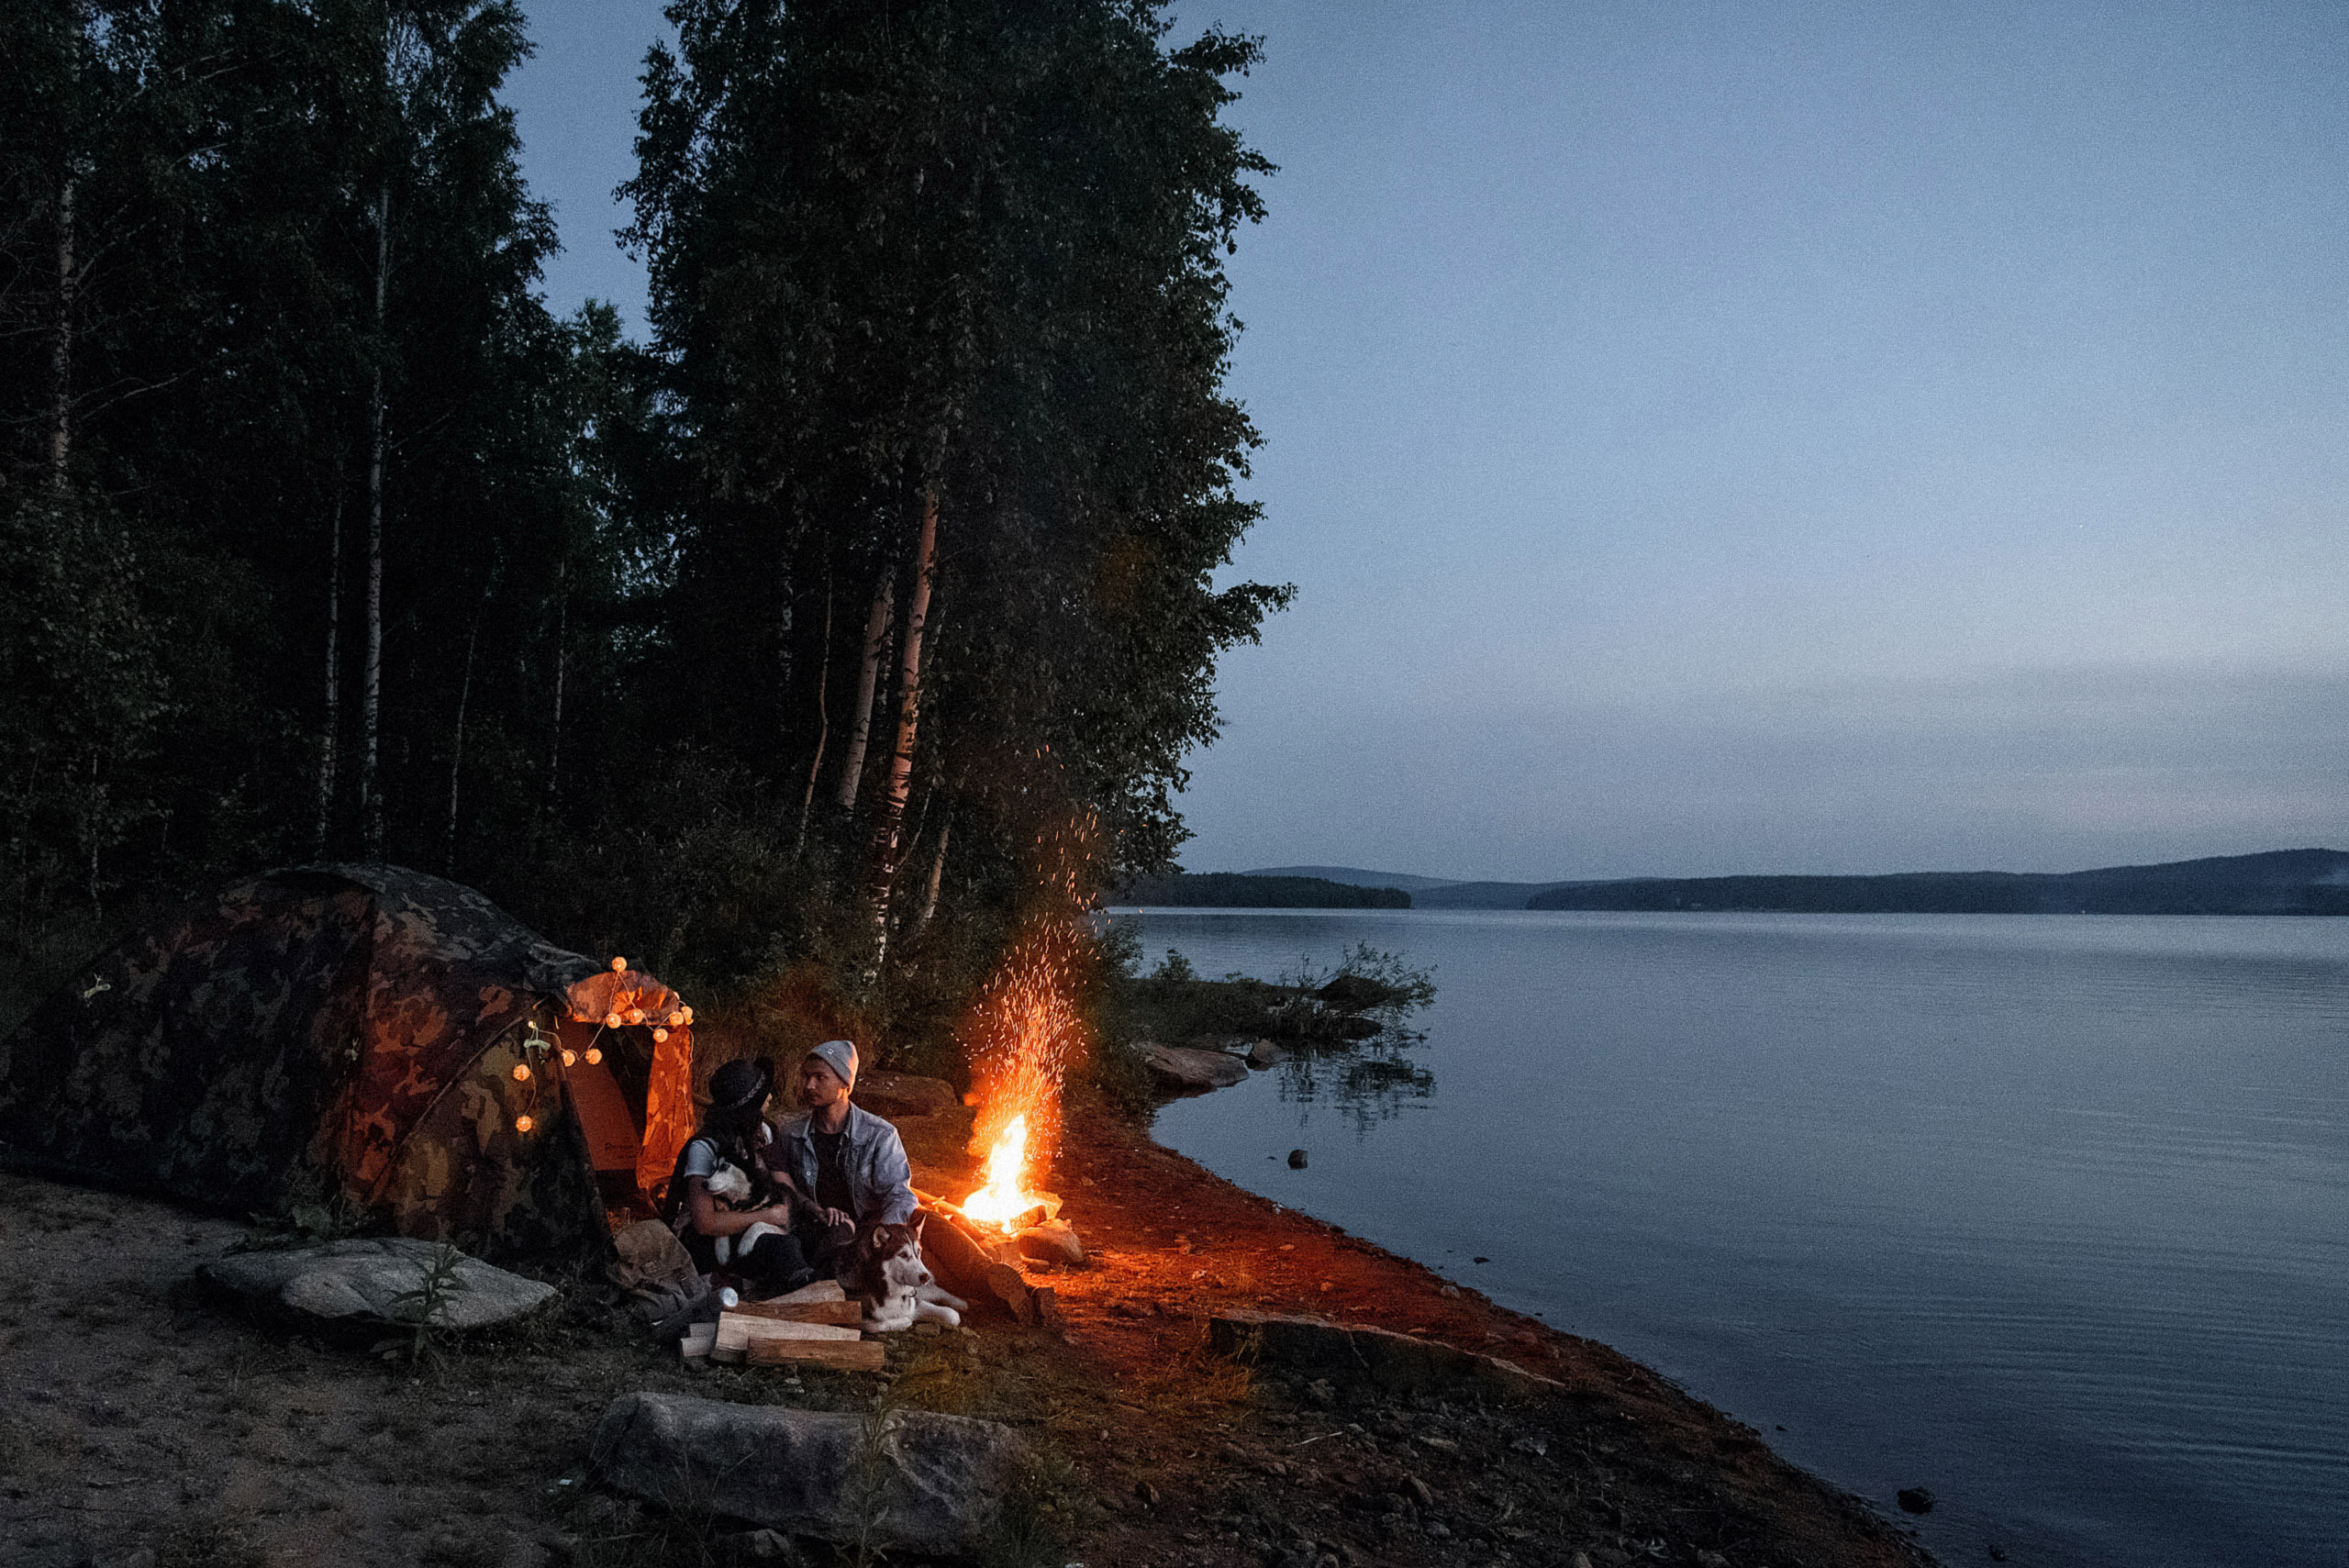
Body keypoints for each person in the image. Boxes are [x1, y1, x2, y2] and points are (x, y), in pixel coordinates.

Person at [770, 1038, 1008, 1305]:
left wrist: (886, 1235)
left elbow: (898, 1193)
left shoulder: (878, 1134)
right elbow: (784, 1190)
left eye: (819, 1077)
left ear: (844, 1084)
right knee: (924, 1263)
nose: (809, 1085)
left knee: (929, 1222)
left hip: (877, 1228)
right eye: (806, 1077)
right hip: (830, 1236)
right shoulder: (791, 1134)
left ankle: (995, 1279)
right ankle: (987, 1294)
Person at [663, 1056, 816, 1296]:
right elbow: (705, 1222)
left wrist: (813, 1209)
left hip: (760, 1223)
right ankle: (800, 1298)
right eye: (763, 1096)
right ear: (749, 1110)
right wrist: (766, 1215)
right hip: (717, 1239)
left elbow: (785, 1192)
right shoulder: (705, 1148)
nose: (770, 1098)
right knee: (782, 1248)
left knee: (813, 1235)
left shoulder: (765, 1132)